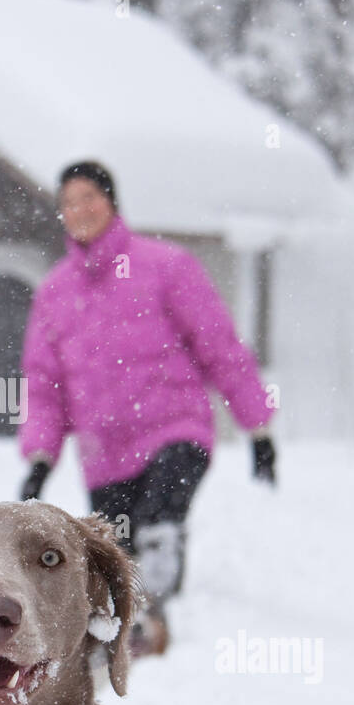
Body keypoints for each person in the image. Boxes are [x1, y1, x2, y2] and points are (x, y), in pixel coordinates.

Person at [19, 160, 276, 655]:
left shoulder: (166, 266)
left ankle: (161, 581)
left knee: (161, 516)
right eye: (69, 202)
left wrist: (258, 428)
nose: (80, 210)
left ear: (112, 202)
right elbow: (45, 386)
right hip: (105, 456)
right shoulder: (53, 294)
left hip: (173, 431)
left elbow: (219, 346)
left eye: (89, 198)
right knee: (117, 557)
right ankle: (135, 636)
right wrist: (39, 458)